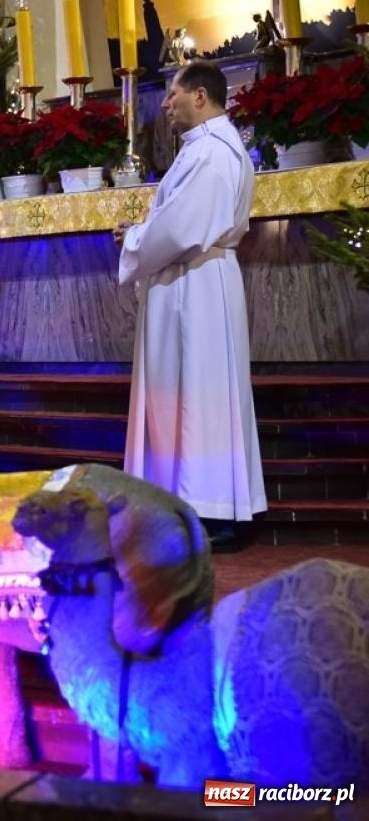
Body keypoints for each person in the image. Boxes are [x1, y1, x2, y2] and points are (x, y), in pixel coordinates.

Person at [114, 61, 264, 548]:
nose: (164, 104)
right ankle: (187, 503)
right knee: (188, 391)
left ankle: (213, 510)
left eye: (172, 94)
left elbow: (182, 228)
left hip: (197, 283)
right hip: (191, 278)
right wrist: (144, 234)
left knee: (200, 393)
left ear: (200, 96)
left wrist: (134, 239)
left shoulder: (213, 152)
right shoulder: (205, 147)